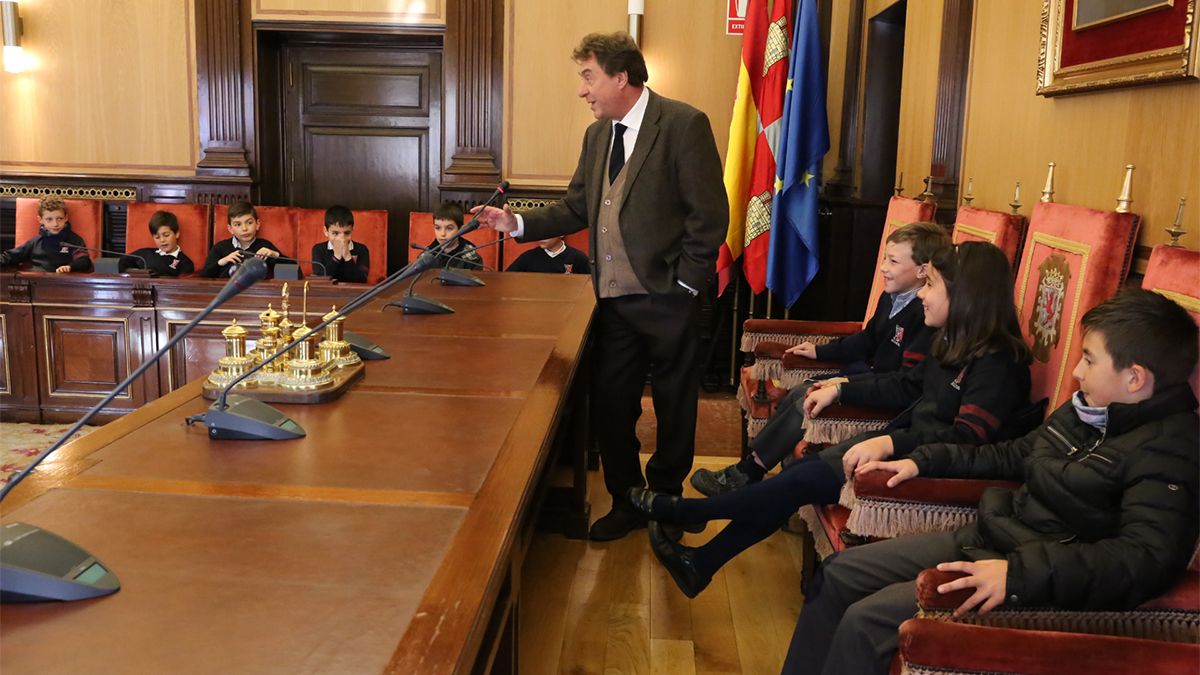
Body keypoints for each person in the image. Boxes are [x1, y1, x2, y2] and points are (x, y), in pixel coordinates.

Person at [781, 287, 1200, 675]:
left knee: (865, 620)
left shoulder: (1172, 449)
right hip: (998, 532)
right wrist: (921, 461)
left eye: (1089, 360)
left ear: (1135, 378)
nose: (1075, 372)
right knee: (839, 573)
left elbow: (1144, 559)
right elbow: (1013, 454)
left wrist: (1018, 576)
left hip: (1032, 576)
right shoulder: (1087, 409)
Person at [630, 242, 1037, 597]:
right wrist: (845, 391)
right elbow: (906, 388)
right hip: (901, 445)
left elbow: (966, 441)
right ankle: (700, 559)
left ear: (966, 296)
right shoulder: (952, 342)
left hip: (927, 470)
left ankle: (688, 515)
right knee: (798, 478)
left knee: (800, 481)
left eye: (932, 286)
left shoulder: (998, 362)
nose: (923, 296)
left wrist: (890, 443)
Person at [472, 32, 727, 541]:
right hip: (612, 302)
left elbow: (709, 216)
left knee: (676, 407)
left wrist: (685, 288)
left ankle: (667, 504)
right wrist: (514, 223)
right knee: (612, 405)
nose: (582, 91)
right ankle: (628, 499)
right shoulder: (596, 137)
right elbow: (574, 208)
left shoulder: (683, 124)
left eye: (588, 77)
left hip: (671, 299)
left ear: (621, 77)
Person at [692, 221, 949, 496]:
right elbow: (867, 340)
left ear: (923, 270)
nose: (883, 267)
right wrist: (819, 351)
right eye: (885, 257)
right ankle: (752, 470)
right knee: (800, 390)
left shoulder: (927, 315)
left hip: (889, 397)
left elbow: (905, 385)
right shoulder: (892, 296)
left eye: (893, 261)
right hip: (871, 378)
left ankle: (749, 473)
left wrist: (844, 385)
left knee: (807, 397)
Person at [1, 196, 93, 273]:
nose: (55, 224)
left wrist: (70, 267)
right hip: (38, 283)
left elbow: (84, 261)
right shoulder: (35, 242)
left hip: (65, 282)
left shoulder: (74, 240)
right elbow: (11, 256)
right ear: (40, 220)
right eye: (49, 219)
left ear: (66, 218)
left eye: (59, 218)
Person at [199, 201, 290, 278]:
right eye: (238, 224)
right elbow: (204, 276)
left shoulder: (265, 246)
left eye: (249, 223)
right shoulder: (220, 248)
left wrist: (275, 254)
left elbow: (294, 271)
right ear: (230, 229)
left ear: (257, 224)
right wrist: (222, 261)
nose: (244, 228)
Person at [122, 210, 195, 276]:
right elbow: (123, 262)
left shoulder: (185, 263)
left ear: (177, 234)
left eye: (166, 235)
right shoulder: (145, 254)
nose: (162, 240)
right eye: (157, 237)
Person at [311, 205, 370, 283]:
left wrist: (347, 257)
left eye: (347, 233)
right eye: (335, 233)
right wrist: (336, 257)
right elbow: (321, 279)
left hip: (354, 293)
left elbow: (362, 280)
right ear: (326, 231)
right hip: (327, 293)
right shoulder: (318, 249)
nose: (342, 238)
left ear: (352, 230)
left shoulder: (362, 250)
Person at [428, 202, 483, 270]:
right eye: (438, 228)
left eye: (449, 228)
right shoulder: (426, 255)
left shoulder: (473, 259)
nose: (442, 234)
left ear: (460, 229)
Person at [506, 236, 591, 275]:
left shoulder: (578, 258)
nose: (541, 236)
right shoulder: (528, 258)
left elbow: (590, 286)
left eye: (546, 232)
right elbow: (508, 279)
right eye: (539, 232)